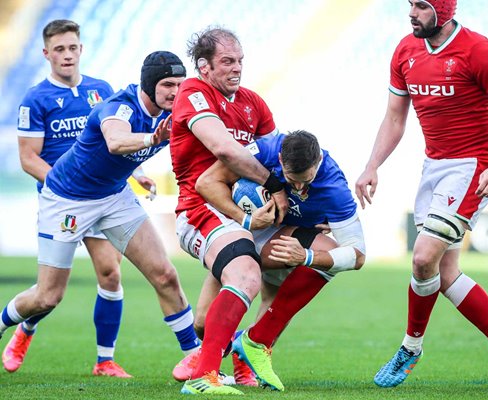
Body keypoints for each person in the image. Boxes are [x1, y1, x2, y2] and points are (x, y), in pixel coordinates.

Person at [355, 0, 488, 390]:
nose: (412, 12)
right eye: (410, 5)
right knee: (442, 272)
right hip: (434, 166)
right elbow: (394, 117)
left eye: (421, 6)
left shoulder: (480, 51)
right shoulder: (405, 51)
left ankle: (410, 347)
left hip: (473, 165)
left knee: (423, 257)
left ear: (443, 8)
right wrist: (372, 166)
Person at [0, 50, 202, 377]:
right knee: (47, 296)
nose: (176, 92)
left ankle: (195, 358)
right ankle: (7, 325)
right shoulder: (120, 106)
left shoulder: (176, 111)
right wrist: (152, 138)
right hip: (67, 200)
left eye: (181, 84)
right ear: (149, 85)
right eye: (167, 84)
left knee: (163, 274)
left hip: (114, 195)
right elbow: (115, 140)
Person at [5, 19, 154, 378]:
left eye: (72, 47)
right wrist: (64, 184)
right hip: (63, 204)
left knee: (110, 273)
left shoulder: (102, 91)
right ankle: (25, 328)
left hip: (102, 198)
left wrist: (134, 173)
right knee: (49, 293)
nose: (67, 55)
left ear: (81, 49)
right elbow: (29, 158)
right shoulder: (36, 99)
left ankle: (105, 361)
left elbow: (112, 144)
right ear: (46, 54)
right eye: (59, 49)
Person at [182, 130, 366, 389]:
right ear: (280, 160)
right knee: (202, 324)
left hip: (278, 238)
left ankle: (251, 345)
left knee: (326, 256)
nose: (300, 188)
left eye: (307, 180)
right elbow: (206, 183)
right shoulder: (265, 150)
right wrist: (246, 218)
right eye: (293, 180)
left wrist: (307, 256)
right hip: (230, 228)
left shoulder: (334, 187)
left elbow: (357, 255)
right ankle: (212, 356)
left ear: (319, 161)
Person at [169, 26, 288, 396]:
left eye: (240, 61)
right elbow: (225, 150)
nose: (237, 68)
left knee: (207, 322)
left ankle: (238, 350)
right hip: (199, 210)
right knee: (248, 275)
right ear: (204, 67)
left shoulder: (253, 102)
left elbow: (278, 156)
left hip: (240, 221)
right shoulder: (194, 93)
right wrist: (274, 184)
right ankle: (204, 378)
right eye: (227, 62)